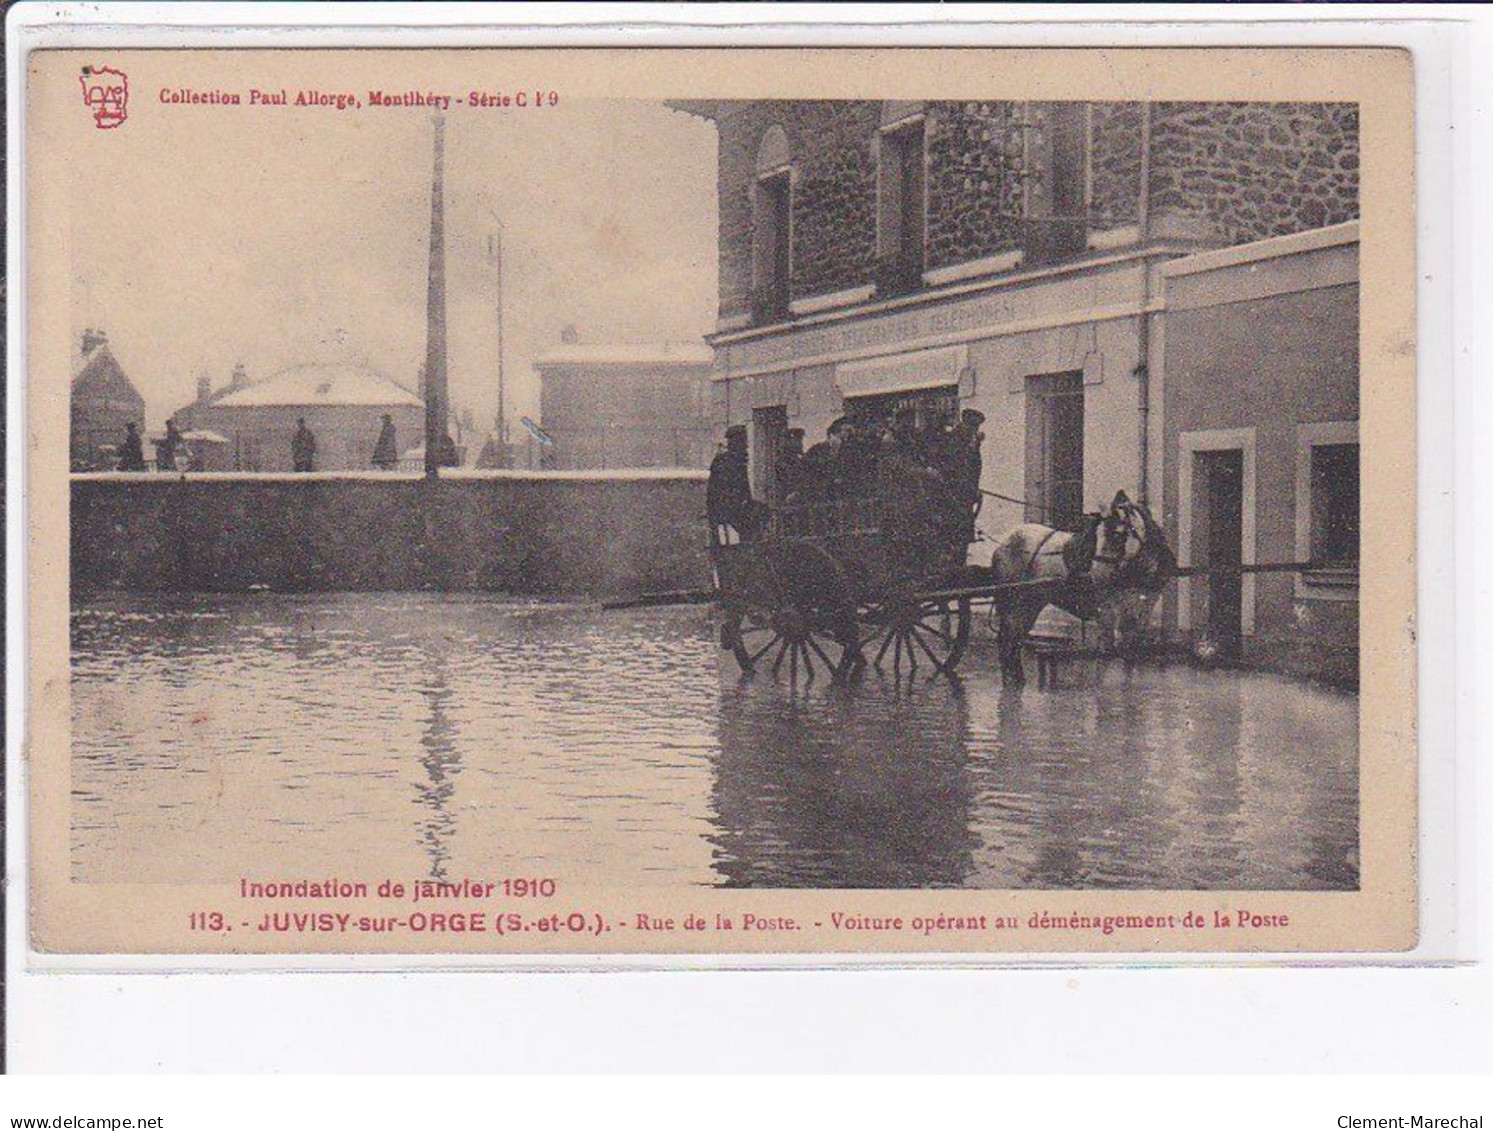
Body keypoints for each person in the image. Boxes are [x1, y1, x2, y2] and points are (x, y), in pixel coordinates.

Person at [707, 424, 767, 541]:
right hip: (727, 509)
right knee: (750, 523)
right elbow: (723, 489)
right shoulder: (727, 461)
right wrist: (742, 504)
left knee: (762, 511)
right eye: (742, 441)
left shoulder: (737, 460)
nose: (746, 446)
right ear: (734, 442)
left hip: (735, 507)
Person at [775, 427, 806, 504]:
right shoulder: (784, 461)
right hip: (788, 495)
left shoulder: (798, 460)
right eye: (798, 439)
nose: (800, 443)